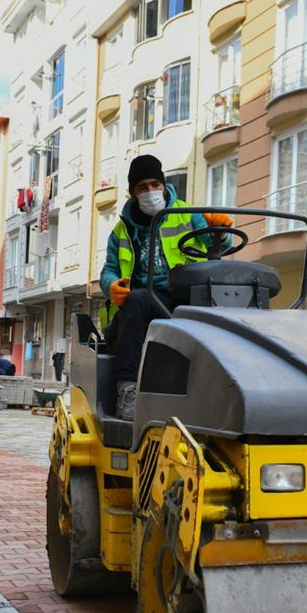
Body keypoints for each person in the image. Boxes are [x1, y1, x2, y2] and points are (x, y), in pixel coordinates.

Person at [100, 154, 232, 419]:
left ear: (163, 184)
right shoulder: (122, 230)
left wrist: (219, 229)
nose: (151, 192)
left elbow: (221, 246)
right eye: (142, 187)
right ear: (132, 193)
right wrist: (111, 285)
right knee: (137, 300)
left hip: (188, 294)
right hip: (146, 301)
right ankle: (128, 390)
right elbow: (109, 269)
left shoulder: (188, 214)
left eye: (154, 184)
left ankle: (225, 392)